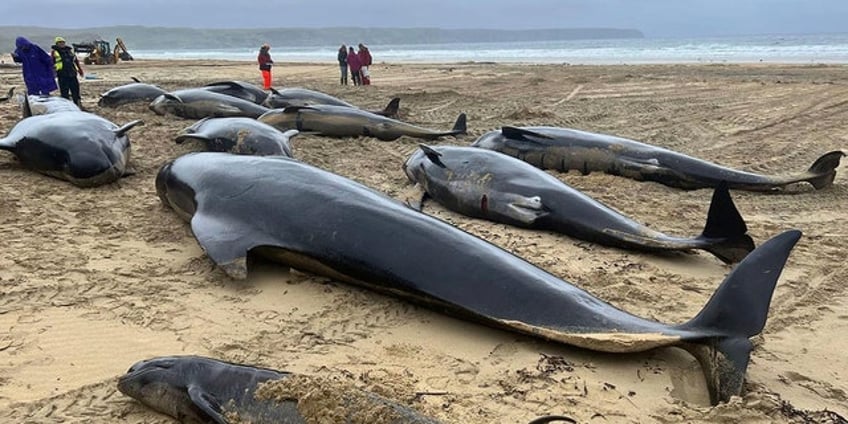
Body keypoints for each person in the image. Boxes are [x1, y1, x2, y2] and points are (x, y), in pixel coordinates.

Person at [51, 37, 84, 106]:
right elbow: (51, 63)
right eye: (60, 42)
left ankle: (78, 104)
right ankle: (66, 106)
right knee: (64, 92)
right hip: (62, 74)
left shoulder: (69, 51)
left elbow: (75, 61)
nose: (62, 44)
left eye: (63, 42)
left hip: (72, 73)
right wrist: (52, 73)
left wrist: (80, 70)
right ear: (57, 44)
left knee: (75, 90)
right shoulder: (54, 52)